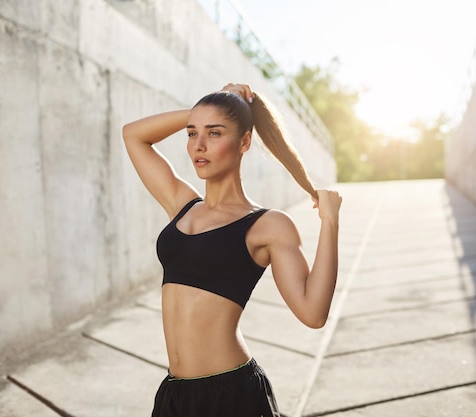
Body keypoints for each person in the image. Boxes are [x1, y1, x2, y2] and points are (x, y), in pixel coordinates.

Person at [122, 83, 342, 417]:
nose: (198, 145)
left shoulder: (267, 225)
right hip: (174, 394)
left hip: (231, 396)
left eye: (214, 133)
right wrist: (212, 110)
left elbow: (313, 313)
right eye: (192, 133)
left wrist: (330, 223)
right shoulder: (182, 204)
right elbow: (133, 135)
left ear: (245, 141)